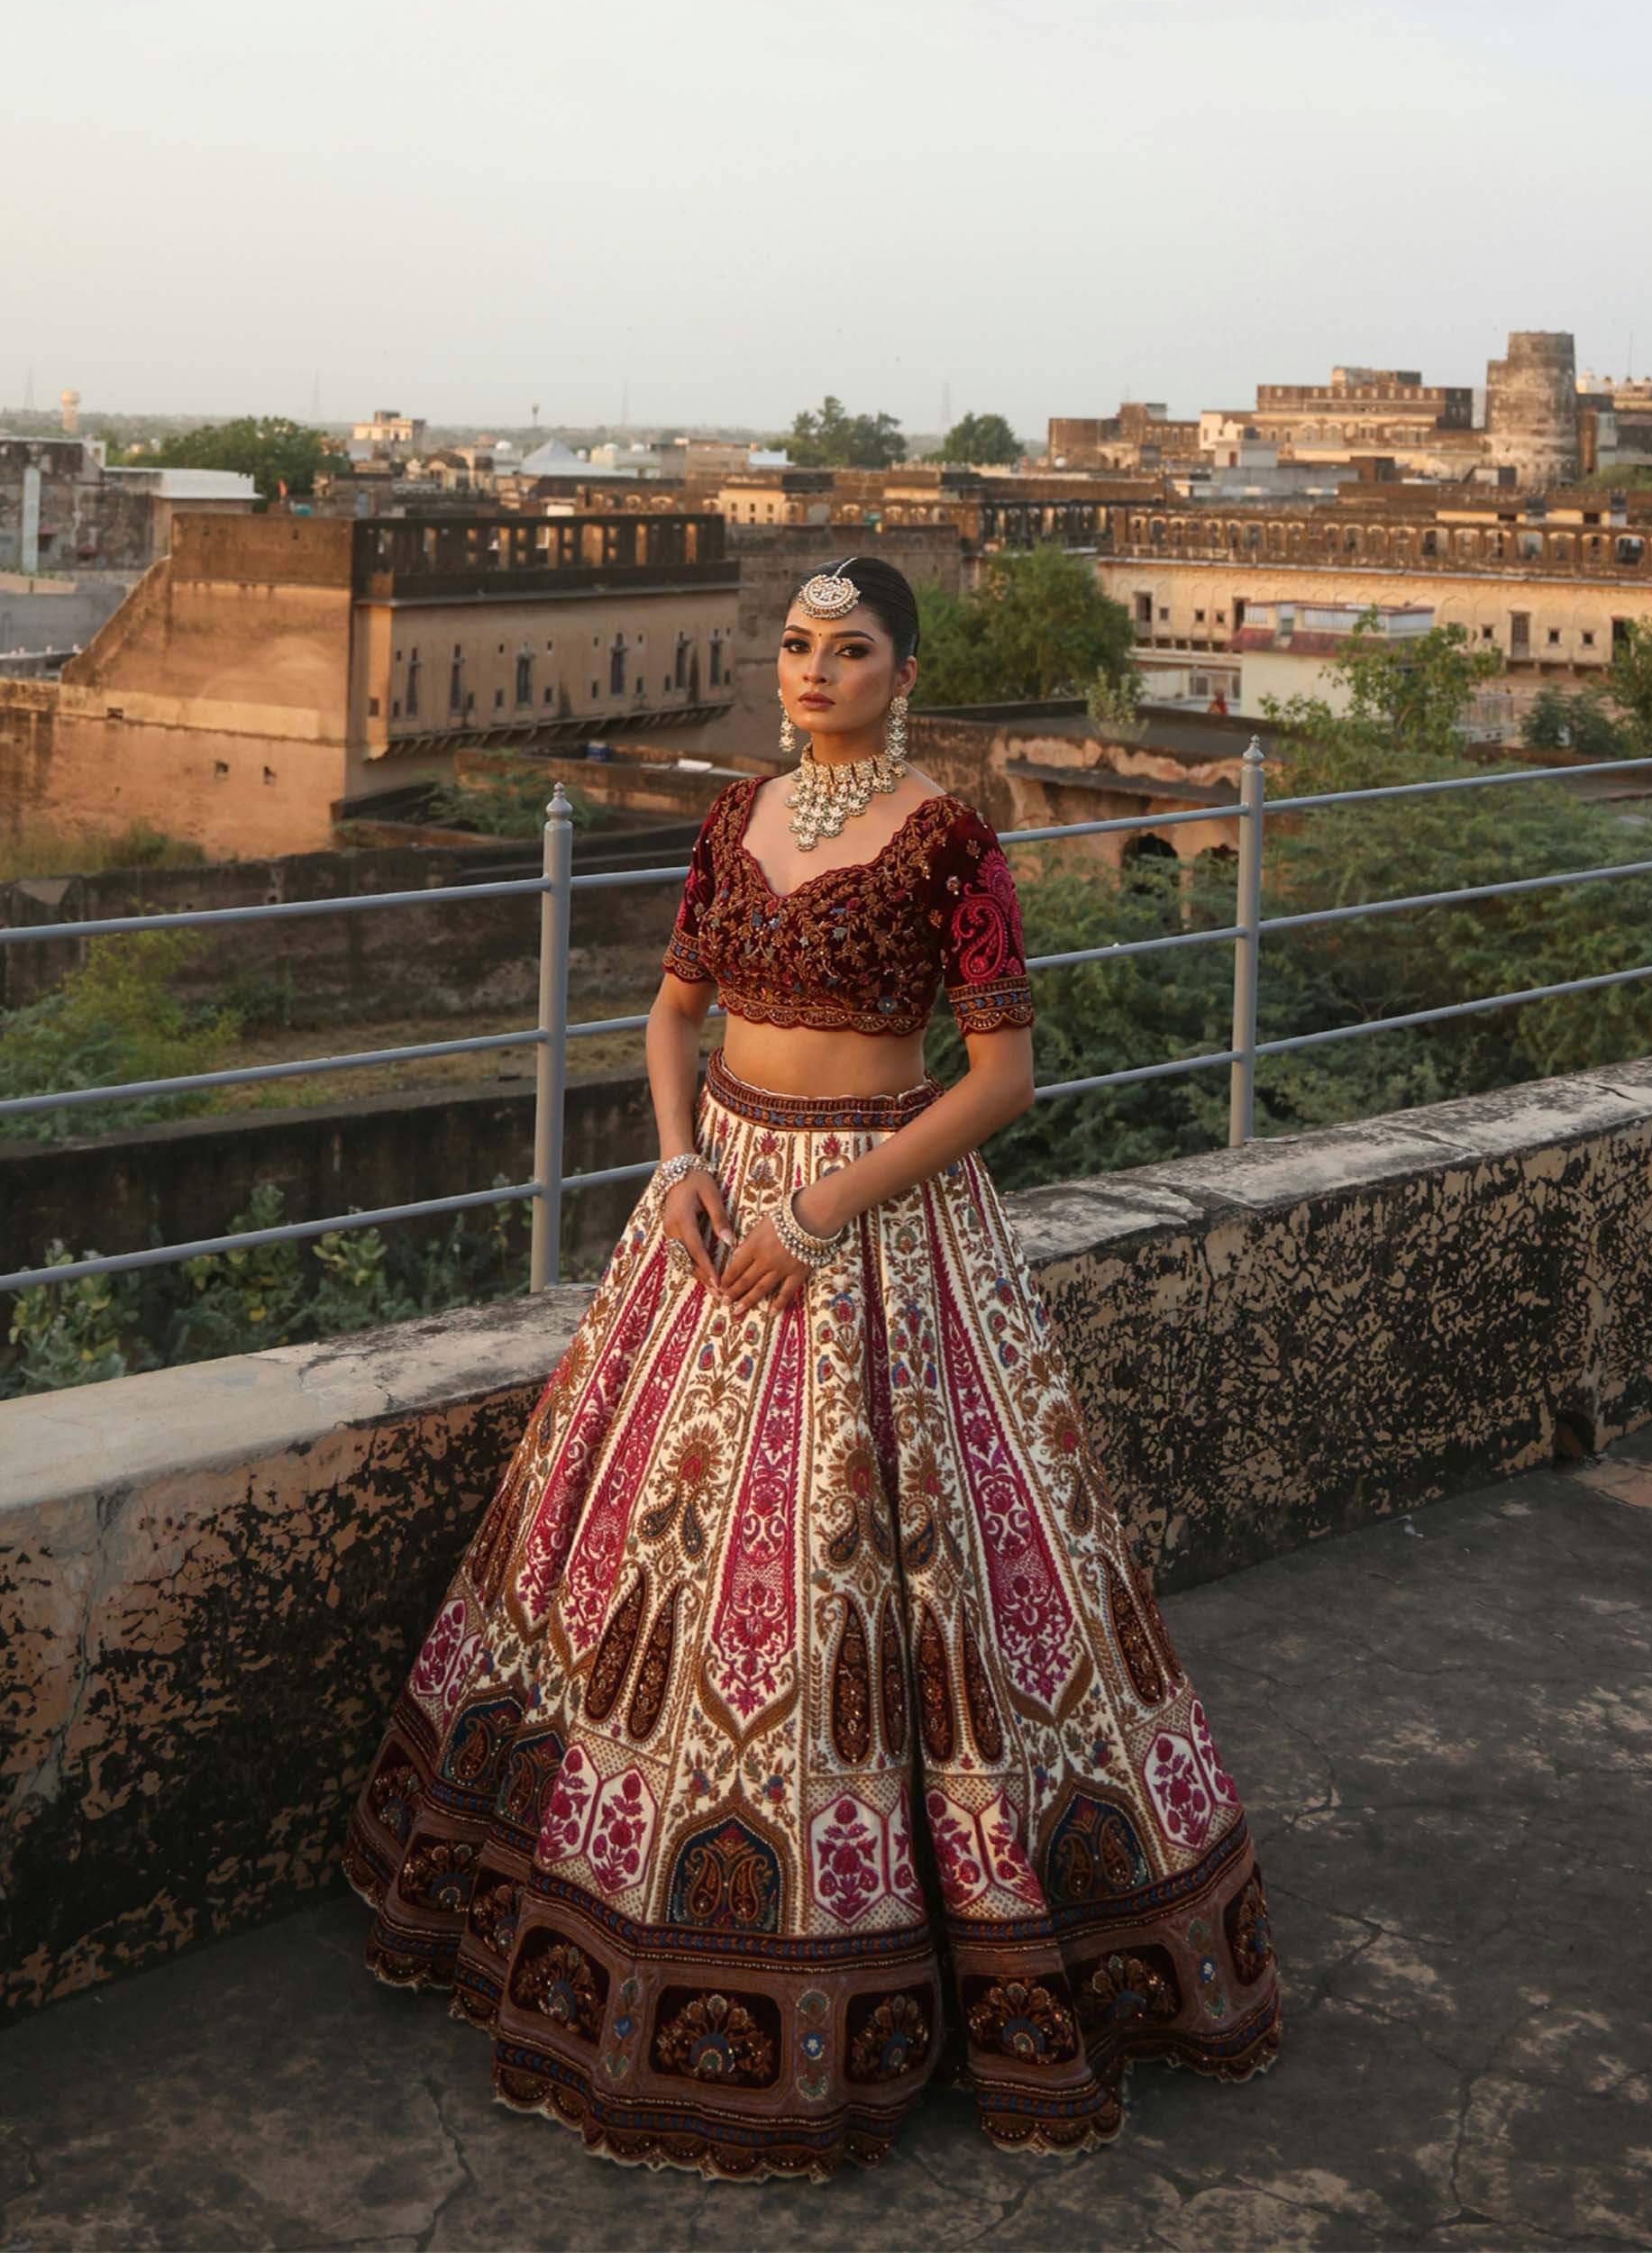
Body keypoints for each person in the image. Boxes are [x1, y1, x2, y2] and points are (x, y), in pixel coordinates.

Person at [340, 553, 1282, 2184]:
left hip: (876, 1228)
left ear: (903, 673)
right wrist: (678, 1167)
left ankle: (909, 1943)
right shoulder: (733, 821)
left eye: (848, 648)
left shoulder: (949, 838)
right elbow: (669, 1016)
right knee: (659, 1554)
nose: (814, 669)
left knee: (866, 1566)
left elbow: (1002, 1078)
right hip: (715, 1213)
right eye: (794, 643)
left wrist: (826, 1213)